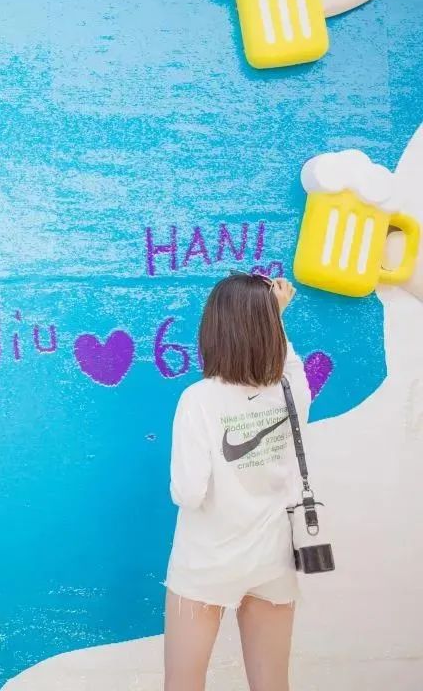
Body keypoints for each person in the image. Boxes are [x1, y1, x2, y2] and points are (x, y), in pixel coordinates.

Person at [163, 272, 308, 691]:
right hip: (271, 559)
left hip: (207, 562)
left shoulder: (198, 399)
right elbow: (290, 362)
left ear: (213, 329)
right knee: (272, 683)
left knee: (184, 683)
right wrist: (274, 314)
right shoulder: (290, 391)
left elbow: (188, 492)